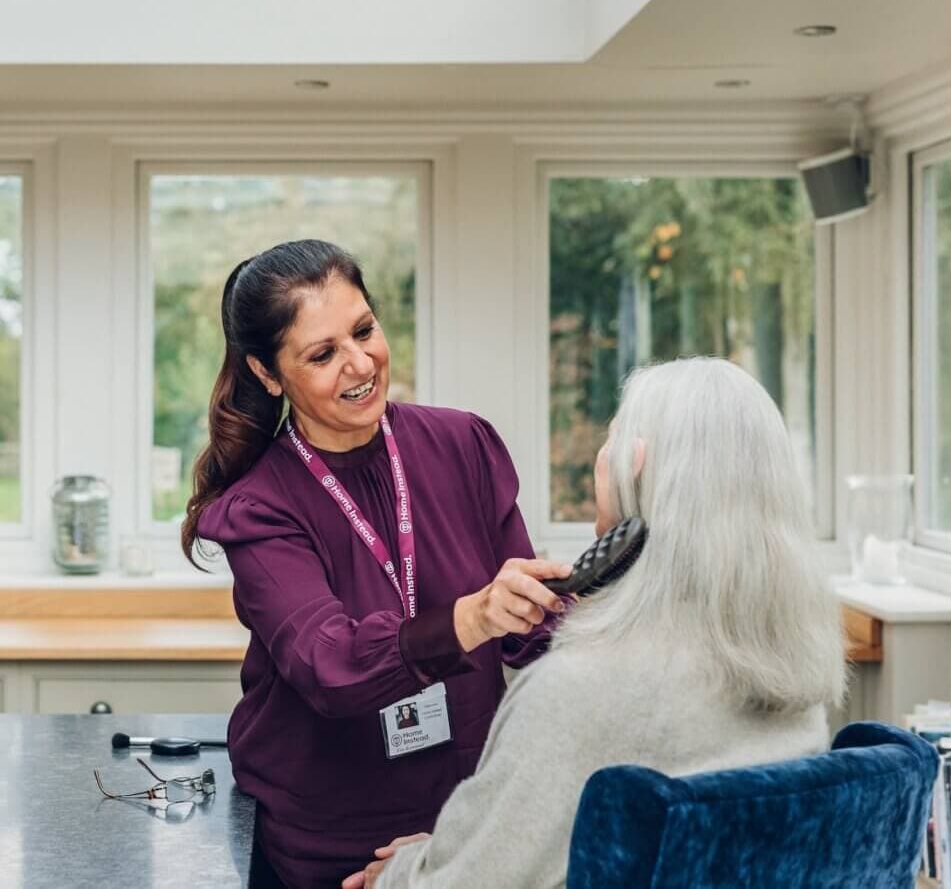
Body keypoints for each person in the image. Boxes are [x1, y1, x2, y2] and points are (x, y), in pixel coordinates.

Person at [346, 357, 847, 889]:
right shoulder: (795, 679)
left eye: (609, 440)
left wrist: (400, 873)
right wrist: (454, 848)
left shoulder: (576, 691)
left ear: (636, 465)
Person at [182, 239, 572, 888]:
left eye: (364, 330)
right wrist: (471, 617)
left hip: (460, 832)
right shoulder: (259, 506)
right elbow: (329, 666)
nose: (360, 363)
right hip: (327, 848)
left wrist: (580, 602)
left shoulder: (463, 445)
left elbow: (531, 632)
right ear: (269, 373)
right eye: (322, 353)